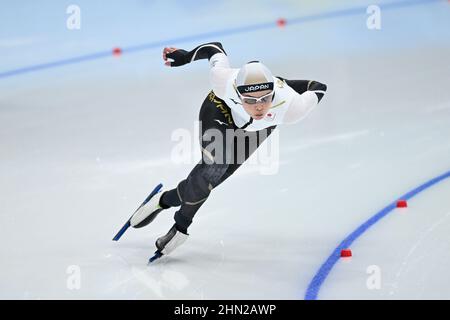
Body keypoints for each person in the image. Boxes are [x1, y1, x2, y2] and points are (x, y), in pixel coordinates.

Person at [129, 42, 327, 259]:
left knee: (210, 180)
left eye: (265, 99)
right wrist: (186, 57)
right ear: (237, 92)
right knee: (215, 165)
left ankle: (162, 200)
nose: (259, 106)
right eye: (250, 100)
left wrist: (283, 85)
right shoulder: (223, 80)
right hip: (219, 111)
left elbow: (319, 87)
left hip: (257, 129)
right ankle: (180, 228)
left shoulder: (291, 107)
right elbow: (215, 48)